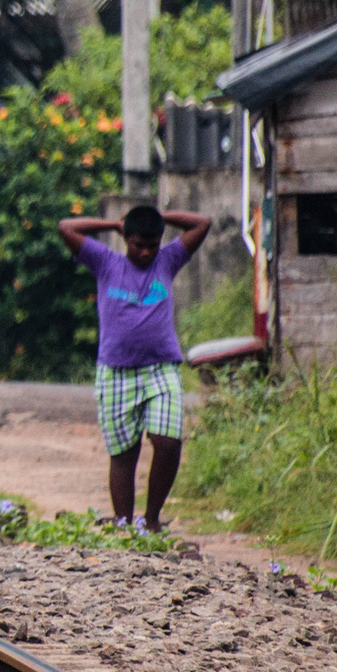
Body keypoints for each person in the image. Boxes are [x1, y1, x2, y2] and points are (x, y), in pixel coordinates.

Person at [60, 205, 211, 531]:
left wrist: (160, 216)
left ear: (160, 241)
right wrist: (115, 223)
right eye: (137, 244)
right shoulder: (105, 262)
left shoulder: (168, 261)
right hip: (115, 371)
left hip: (161, 369)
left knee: (168, 442)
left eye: (151, 245)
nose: (144, 252)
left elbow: (203, 222)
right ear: (125, 239)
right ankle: (125, 524)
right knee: (123, 454)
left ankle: (153, 520)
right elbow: (66, 227)